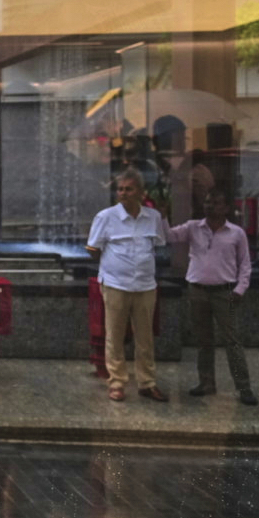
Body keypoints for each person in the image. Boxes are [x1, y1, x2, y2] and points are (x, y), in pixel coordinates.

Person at [86, 168, 169, 403]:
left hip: (145, 285)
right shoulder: (106, 217)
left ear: (141, 192)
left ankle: (147, 383)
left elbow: (159, 243)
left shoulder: (153, 217)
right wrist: (113, 264)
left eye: (129, 189)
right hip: (115, 284)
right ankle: (117, 382)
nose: (123, 193)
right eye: (120, 189)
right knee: (115, 335)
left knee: (145, 338)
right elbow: (93, 248)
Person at [168, 188, 255, 405]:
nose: (210, 206)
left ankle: (243, 387)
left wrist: (240, 289)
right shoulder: (193, 227)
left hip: (225, 292)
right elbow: (168, 236)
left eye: (216, 203)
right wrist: (160, 216)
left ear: (226, 208)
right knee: (203, 341)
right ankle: (206, 383)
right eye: (207, 202)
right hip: (197, 291)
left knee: (232, 341)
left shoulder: (236, 233)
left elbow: (245, 264)